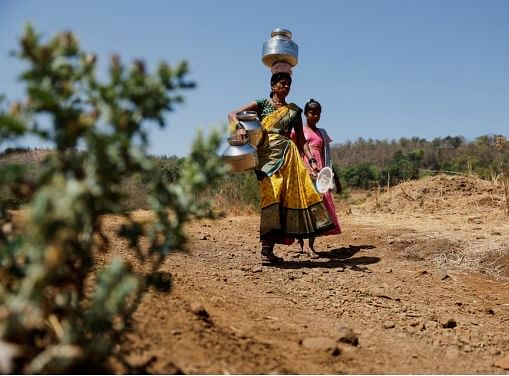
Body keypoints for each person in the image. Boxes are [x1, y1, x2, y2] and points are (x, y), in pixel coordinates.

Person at [228, 72, 335, 264]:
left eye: (288, 85)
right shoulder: (261, 104)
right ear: (272, 86)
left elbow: (301, 140)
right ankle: (266, 248)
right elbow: (232, 114)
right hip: (265, 157)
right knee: (271, 195)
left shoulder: (293, 111)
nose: (285, 87)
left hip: (288, 157)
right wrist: (240, 128)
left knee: (283, 199)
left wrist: (311, 160)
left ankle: (267, 250)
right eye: (282, 83)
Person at [293, 98, 342, 257]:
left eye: (318, 113)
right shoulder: (299, 131)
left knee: (317, 208)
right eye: (311, 112)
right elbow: (294, 151)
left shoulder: (323, 133)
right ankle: (300, 243)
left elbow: (327, 156)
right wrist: (305, 168)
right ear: (306, 113)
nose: (315, 115)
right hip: (303, 171)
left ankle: (310, 246)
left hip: (320, 173)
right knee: (302, 206)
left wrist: (333, 176)